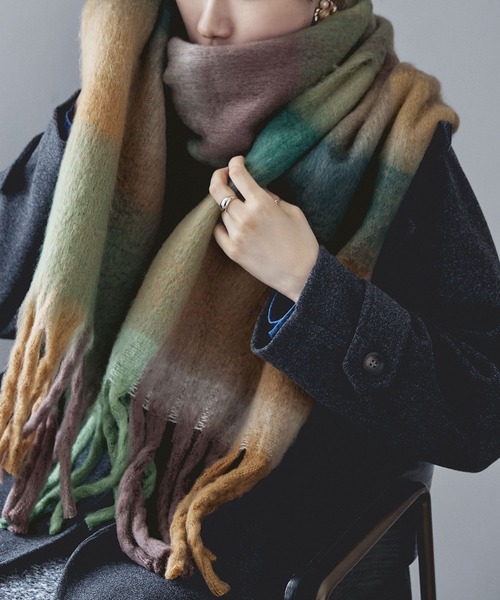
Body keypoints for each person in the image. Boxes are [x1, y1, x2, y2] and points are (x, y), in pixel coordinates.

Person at [0, 0, 499, 599]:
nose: (210, 19)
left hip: (239, 539)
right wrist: (87, 132)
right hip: (59, 489)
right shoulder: (124, 84)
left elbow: (480, 410)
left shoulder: (398, 139)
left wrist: (311, 284)